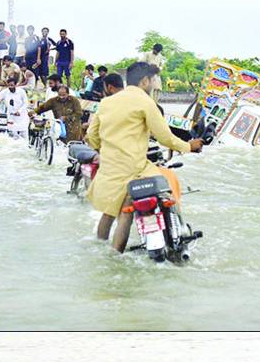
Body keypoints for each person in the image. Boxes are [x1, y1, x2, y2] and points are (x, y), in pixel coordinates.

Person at [85, 61, 203, 252]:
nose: (155, 85)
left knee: (108, 213)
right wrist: (189, 146)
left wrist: (105, 149)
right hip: (135, 169)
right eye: (154, 80)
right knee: (126, 213)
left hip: (109, 168)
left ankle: (99, 250)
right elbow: (165, 138)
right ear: (145, 81)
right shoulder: (146, 103)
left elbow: (92, 136)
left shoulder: (106, 103)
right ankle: (116, 257)